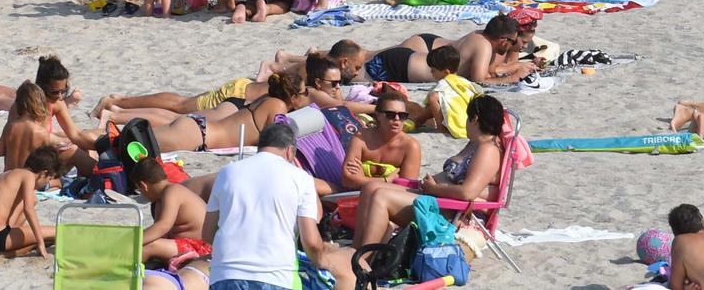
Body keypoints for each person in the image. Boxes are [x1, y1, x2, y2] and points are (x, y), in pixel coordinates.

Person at [353, 97, 513, 250]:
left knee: (381, 196)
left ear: (475, 119)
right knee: (371, 187)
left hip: (452, 212)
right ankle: (356, 248)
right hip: (439, 200)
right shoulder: (474, 144)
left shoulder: (488, 150)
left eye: (467, 117)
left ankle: (364, 259)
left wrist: (434, 188)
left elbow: (467, 193)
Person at [203, 120, 334, 290]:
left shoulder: (227, 172)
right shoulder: (301, 178)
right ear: (290, 151)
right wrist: (321, 261)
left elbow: (207, 233)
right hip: (276, 276)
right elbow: (311, 241)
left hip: (225, 275)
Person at [0, 147, 63, 258]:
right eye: (49, 179)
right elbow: (28, 209)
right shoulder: (28, 176)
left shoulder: (9, 174)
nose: (47, 183)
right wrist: (40, 241)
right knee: (57, 233)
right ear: (44, 173)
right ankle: (7, 253)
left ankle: (10, 246)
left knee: (33, 199)